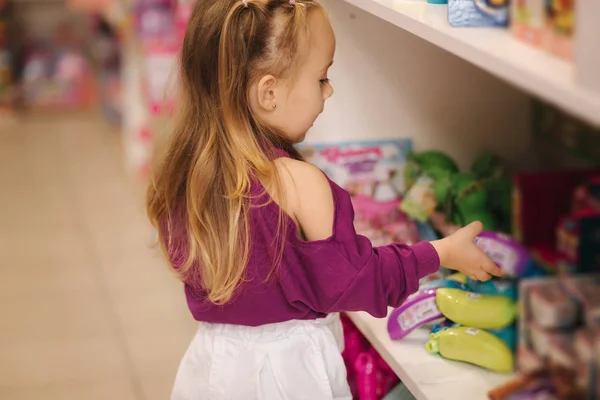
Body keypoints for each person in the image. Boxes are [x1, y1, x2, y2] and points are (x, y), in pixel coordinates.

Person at [146, 1, 503, 399]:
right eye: (321, 78)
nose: (329, 90)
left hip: (214, 367)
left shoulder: (188, 174)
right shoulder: (299, 184)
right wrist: (440, 253)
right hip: (289, 376)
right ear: (269, 92)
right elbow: (361, 282)